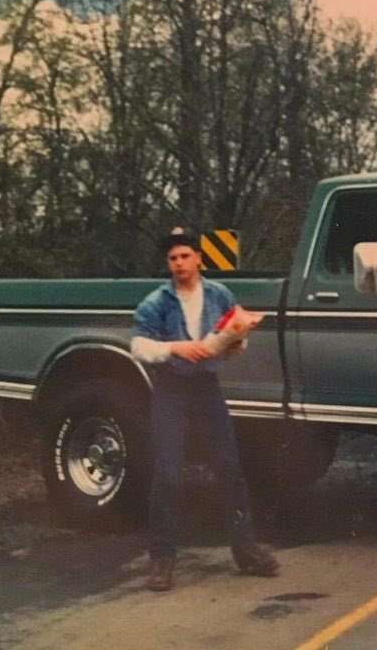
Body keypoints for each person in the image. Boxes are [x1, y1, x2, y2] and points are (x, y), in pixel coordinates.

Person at [131, 227, 278, 592]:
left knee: (230, 469)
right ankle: (162, 561)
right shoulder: (155, 302)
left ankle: (246, 551)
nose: (179, 263)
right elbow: (138, 347)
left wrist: (234, 343)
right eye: (172, 259)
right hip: (170, 391)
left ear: (199, 258)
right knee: (167, 475)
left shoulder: (219, 293)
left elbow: (233, 333)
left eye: (185, 256)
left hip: (206, 390)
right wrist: (174, 349)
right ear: (168, 264)